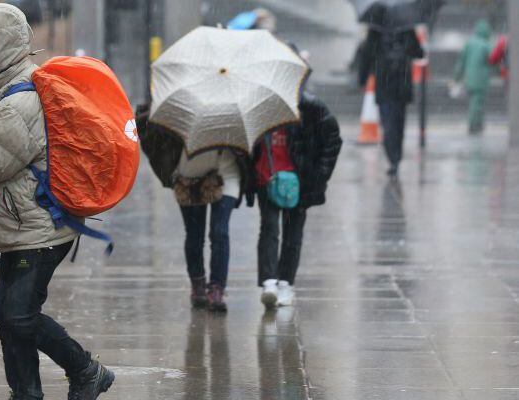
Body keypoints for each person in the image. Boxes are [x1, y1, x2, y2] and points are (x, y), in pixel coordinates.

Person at [0, 4, 113, 399]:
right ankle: (26, 392)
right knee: (9, 314)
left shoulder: (18, 103)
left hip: (38, 227)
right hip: (27, 224)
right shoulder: (8, 87)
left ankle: (86, 371)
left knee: (17, 314)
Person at [136, 106, 248, 312]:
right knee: (195, 235)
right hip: (189, 173)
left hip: (227, 172)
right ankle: (198, 284)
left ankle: (216, 288)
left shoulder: (236, 102)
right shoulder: (181, 100)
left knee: (219, 231)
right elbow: (144, 122)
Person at [248, 92, 342, 308]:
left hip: (297, 183)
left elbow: (332, 140)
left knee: (293, 234)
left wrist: (318, 176)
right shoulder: (257, 110)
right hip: (267, 179)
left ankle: (286, 283)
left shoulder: (310, 107)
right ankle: (269, 282)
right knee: (269, 228)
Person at [358, 4, 424, 177]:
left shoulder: (375, 29)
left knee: (387, 122)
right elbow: (419, 53)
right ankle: (396, 157)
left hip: (384, 83)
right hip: (401, 84)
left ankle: (393, 157)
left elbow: (366, 55)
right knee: (399, 122)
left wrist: (362, 79)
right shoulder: (406, 28)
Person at [454, 19, 494, 134]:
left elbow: (461, 61)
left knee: (474, 102)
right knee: (477, 104)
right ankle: (474, 125)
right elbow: (492, 59)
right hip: (481, 79)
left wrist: (456, 76)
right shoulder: (486, 45)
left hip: (469, 78)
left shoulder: (469, 43)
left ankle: (476, 124)